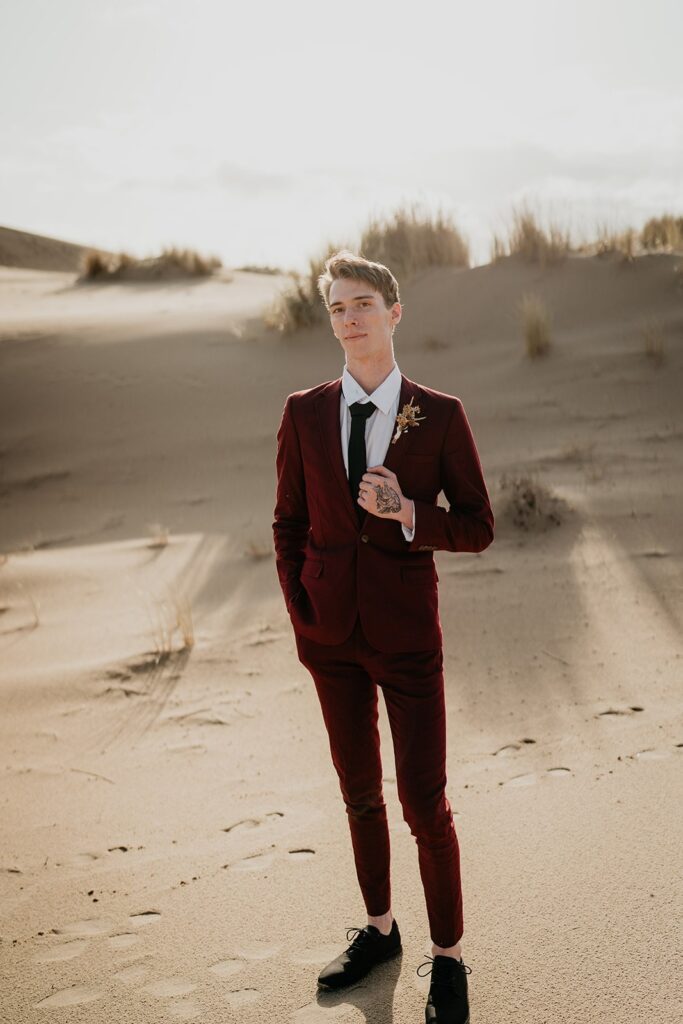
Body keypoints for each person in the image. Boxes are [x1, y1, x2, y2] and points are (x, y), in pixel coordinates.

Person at [272, 249, 494, 1023]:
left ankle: (449, 957)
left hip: (406, 637)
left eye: (361, 304)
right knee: (358, 794)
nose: (349, 319)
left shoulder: (439, 414)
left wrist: (406, 514)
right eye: (335, 308)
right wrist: (302, 611)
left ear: (394, 313)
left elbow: (477, 526)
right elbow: (288, 523)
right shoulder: (303, 410)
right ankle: (379, 931)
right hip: (328, 636)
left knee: (423, 801)